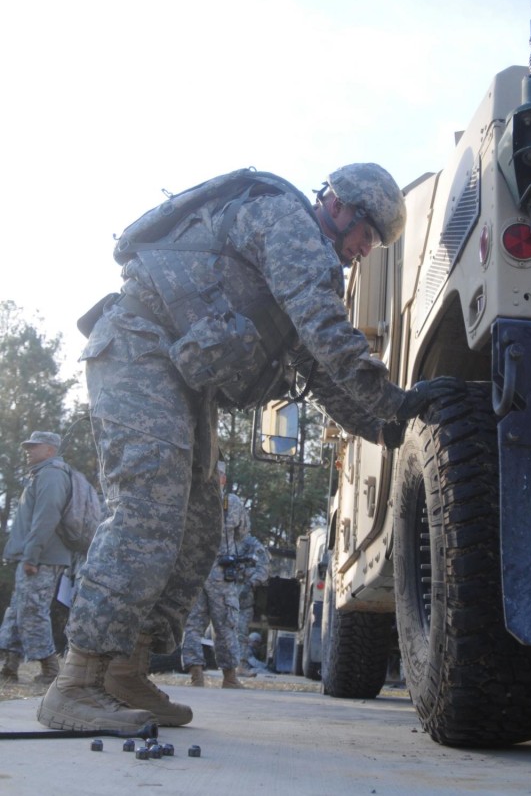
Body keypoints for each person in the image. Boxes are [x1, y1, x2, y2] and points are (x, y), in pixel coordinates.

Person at [37, 162, 446, 734]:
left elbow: (318, 369)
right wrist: (393, 400)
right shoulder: (287, 223)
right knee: (150, 509)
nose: (365, 251)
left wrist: (383, 426)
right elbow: (327, 331)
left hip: (181, 379)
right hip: (138, 345)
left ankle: (123, 671)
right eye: (369, 236)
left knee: (200, 525)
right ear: (344, 206)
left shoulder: (307, 257)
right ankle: (76, 682)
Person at [0, 432, 73, 686]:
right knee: (17, 612)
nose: (27, 450)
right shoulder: (41, 474)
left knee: (32, 611)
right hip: (34, 556)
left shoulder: (52, 475)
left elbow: (46, 518)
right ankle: (9, 668)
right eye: (27, 446)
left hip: (41, 558)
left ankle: (50, 669)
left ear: (50, 450)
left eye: (34, 446)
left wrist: (32, 555)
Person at [181, 462, 250, 688]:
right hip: (221, 571)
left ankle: (196, 676)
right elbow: (242, 533)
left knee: (193, 623)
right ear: (223, 479)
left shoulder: (192, 499)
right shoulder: (233, 503)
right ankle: (229, 677)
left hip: (195, 570)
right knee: (226, 624)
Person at [235, 534, 270, 676]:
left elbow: (263, 568)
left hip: (243, 597)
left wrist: (252, 582)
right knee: (221, 631)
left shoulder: (252, 545)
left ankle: (239, 666)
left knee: (241, 632)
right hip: (221, 595)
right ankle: (225, 666)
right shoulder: (223, 541)